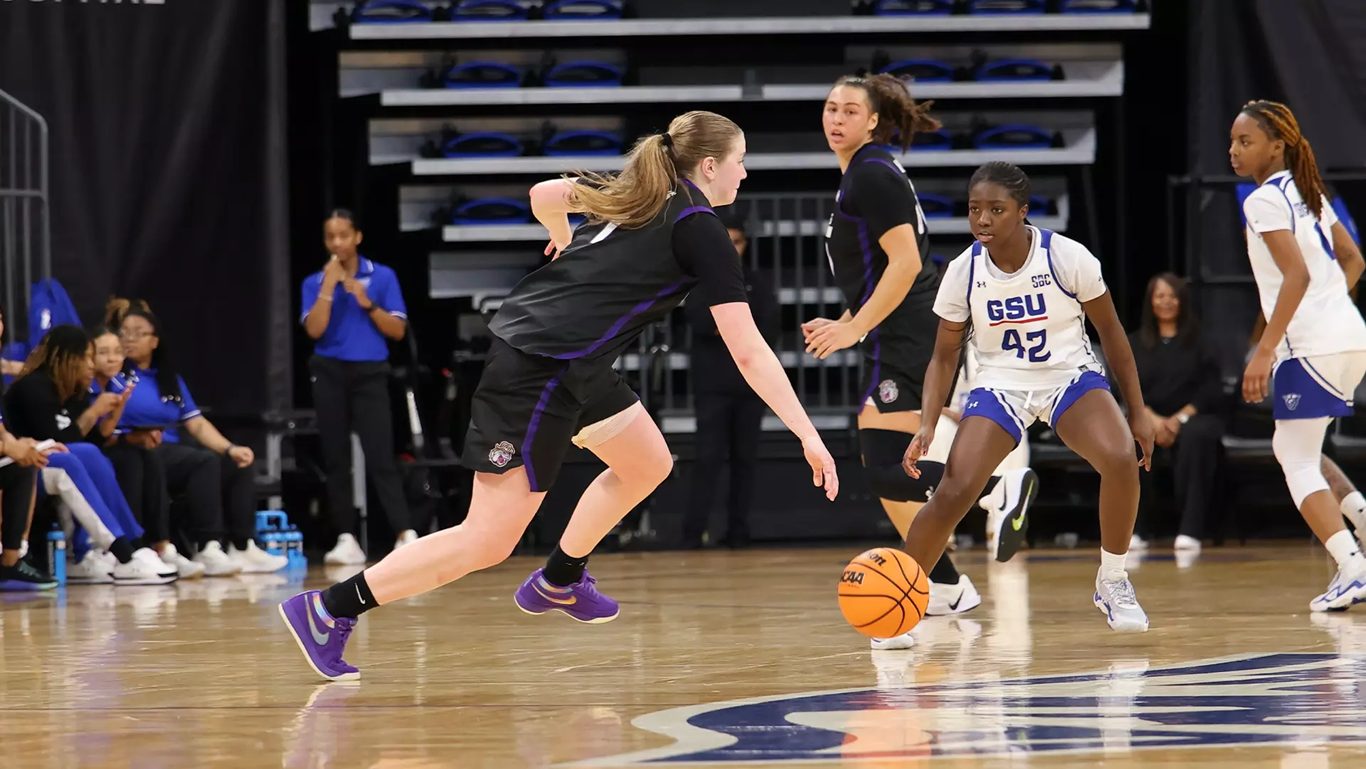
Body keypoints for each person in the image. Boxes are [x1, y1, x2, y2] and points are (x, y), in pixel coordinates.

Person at [278, 110, 840, 681]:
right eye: (741, 162)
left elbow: (545, 191)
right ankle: (329, 608)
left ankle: (561, 577)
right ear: (712, 165)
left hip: (577, 362)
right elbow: (747, 351)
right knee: (487, 540)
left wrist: (561, 232)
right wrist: (808, 434)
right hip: (539, 366)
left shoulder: (633, 191)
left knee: (647, 463)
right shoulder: (700, 229)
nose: (744, 175)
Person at [801, 74, 1036, 648]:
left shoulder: (873, 174)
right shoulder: (867, 170)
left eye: (850, 110)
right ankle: (946, 583)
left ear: (874, 121)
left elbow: (904, 263)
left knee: (885, 466)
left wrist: (853, 326)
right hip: (903, 331)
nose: (837, 118)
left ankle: (993, 492)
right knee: (889, 466)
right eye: (831, 107)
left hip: (905, 332)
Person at [902, 161, 1155, 633]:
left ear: (1022, 212)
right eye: (975, 209)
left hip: (1068, 376)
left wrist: (1137, 411)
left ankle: (1113, 580)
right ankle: (902, 600)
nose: (982, 220)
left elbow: (1113, 335)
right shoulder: (963, 271)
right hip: (1000, 383)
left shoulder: (1066, 256)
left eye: (996, 209)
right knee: (955, 490)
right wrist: (927, 422)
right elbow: (942, 357)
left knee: (1120, 458)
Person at [1231, 99, 1366, 611]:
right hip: (1351, 337)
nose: (1234, 150)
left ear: (1277, 146)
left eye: (1245, 141)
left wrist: (1263, 352)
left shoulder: (1263, 199)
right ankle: (1361, 536)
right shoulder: (1308, 193)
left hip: (1312, 344)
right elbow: (1353, 259)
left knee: (1294, 457)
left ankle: (1351, 567)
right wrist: (1333, 309)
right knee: (1303, 450)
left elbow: (1299, 276)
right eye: (1232, 141)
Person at [113, 307, 286, 575]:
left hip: (172, 452)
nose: (129, 339)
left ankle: (242, 545)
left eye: (138, 333)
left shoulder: (169, 379)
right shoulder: (116, 377)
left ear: (155, 341)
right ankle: (207, 545)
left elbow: (197, 423)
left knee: (236, 463)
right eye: (124, 333)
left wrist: (230, 448)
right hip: (137, 448)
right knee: (201, 461)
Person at [4, 325, 177, 584]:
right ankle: (125, 552)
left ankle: (115, 548)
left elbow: (80, 439)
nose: (90, 363)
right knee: (76, 458)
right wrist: (94, 413)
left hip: (36, 465)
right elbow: (60, 439)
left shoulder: (72, 391)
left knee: (91, 454)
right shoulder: (33, 387)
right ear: (66, 357)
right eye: (86, 356)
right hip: (22, 467)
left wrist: (108, 419)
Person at [301, 209, 418, 565]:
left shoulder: (382, 276)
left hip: (370, 372)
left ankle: (404, 532)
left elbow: (397, 331)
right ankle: (346, 536)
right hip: (329, 371)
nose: (337, 243)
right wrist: (328, 289)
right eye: (330, 237)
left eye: (343, 235)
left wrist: (366, 302)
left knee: (380, 453)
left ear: (357, 237)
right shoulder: (313, 282)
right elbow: (314, 331)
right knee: (336, 457)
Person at [681, 222, 778, 549]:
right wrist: (739, 329)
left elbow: (769, 327)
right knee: (707, 458)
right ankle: (693, 532)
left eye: (738, 241)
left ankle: (739, 530)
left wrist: (731, 329)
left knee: (745, 460)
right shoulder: (701, 281)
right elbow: (700, 322)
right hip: (711, 385)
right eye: (728, 241)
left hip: (751, 387)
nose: (733, 247)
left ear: (746, 244)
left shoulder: (757, 282)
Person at [1127, 273, 1225, 554]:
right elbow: (1127, 388)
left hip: (1193, 417)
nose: (1166, 302)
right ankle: (1137, 529)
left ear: (1182, 301)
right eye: (1160, 296)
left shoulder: (1202, 341)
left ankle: (1190, 530)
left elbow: (1212, 389)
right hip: (1147, 416)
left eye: (1172, 296)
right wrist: (1153, 420)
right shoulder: (1134, 343)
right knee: (1132, 438)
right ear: (1151, 302)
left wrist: (1179, 419)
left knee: (1197, 437)